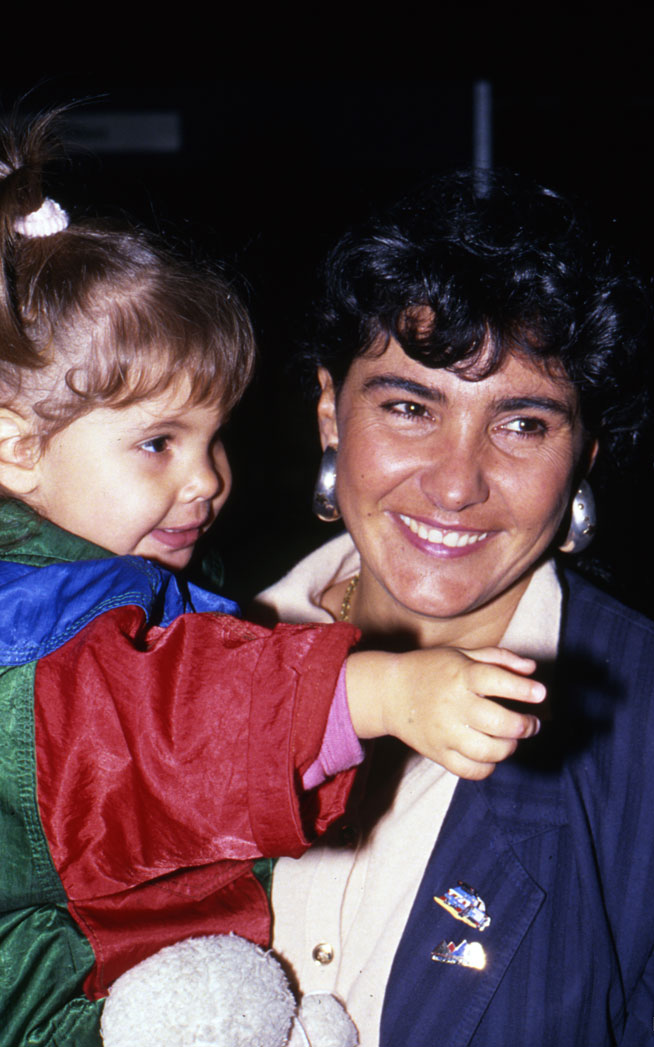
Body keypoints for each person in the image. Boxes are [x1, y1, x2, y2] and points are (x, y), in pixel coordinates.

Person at [0, 116, 545, 1047]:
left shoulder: (114, 584)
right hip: (64, 999)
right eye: (158, 444)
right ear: (16, 449)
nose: (206, 479)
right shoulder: (41, 631)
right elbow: (161, 729)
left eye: (213, 440)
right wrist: (377, 686)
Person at [257, 170, 654, 1045]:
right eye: (411, 407)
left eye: (523, 424)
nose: (456, 483)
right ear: (331, 414)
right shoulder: (166, 654)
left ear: (583, 456)